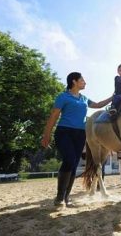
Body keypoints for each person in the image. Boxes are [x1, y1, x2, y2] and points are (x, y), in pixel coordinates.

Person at [41, 72, 112, 207]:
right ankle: (59, 197)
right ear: (74, 81)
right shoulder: (63, 96)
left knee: (73, 163)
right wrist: (46, 135)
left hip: (80, 134)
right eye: (82, 80)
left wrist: (113, 96)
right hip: (64, 132)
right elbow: (54, 116)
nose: (85, 82)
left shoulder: (84, 98)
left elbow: (97, 105)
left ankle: (66, 198)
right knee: (69, 159)